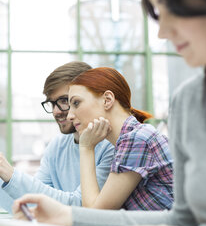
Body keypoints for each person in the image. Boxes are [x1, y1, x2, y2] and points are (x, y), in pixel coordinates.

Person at [13, 0, 206, 226]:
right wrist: (67, 216)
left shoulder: (137, 137)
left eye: (175, 9)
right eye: (158, 14)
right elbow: (181, 220)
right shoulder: (189, 102)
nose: (162, 31)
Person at [0, 61, 115, 213]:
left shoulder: (112, 147)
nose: (55, 111)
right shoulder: (56, 147)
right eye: (52, 103)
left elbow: (79, 207)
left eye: (64, 101)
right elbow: (30, 204)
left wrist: (12, 175)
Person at [66, 67, 173, 210]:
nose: (69, 116)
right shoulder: (132, 139)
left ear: (107, 100)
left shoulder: (137, 140)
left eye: (76, 103)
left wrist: (86, 148)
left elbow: (95, 214)